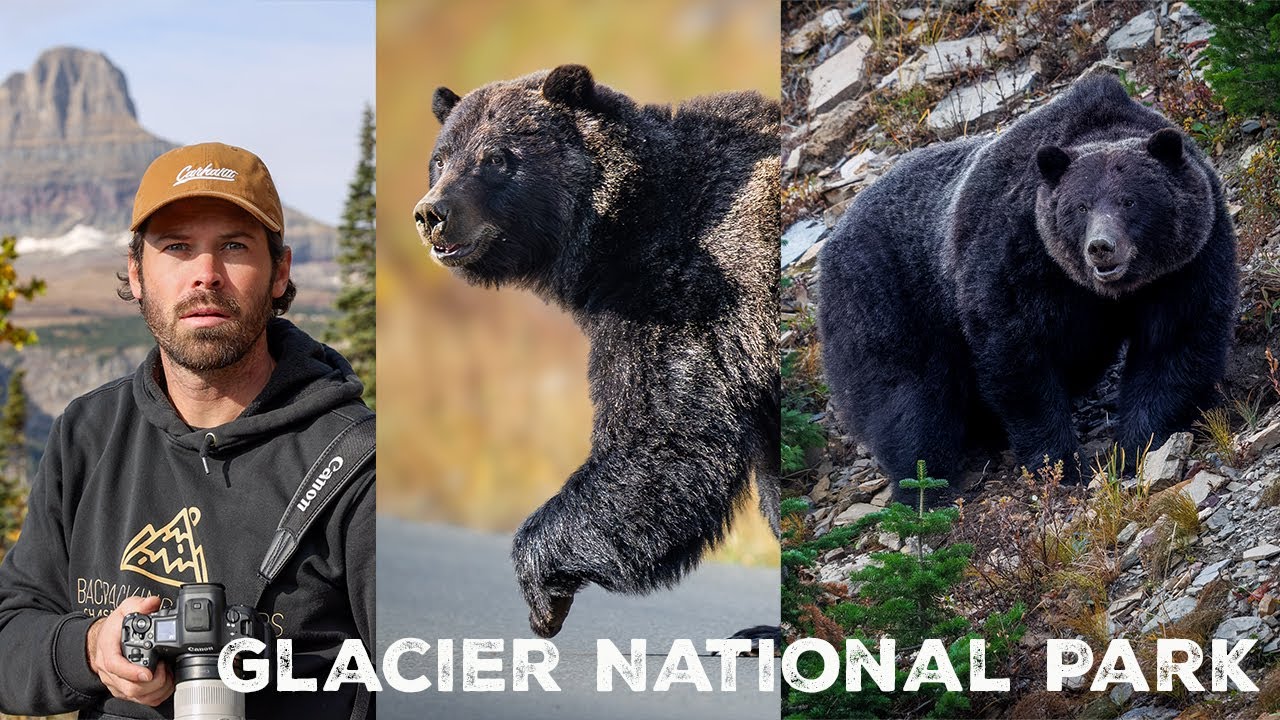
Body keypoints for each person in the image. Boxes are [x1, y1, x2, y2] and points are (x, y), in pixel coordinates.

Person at [0, 143, 375, 719]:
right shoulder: (90, 433)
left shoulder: (358, 463)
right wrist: (93, 649)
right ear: (136, 274)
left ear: (280, 272)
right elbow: (10, 636)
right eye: (177, 247)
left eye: (233, 246)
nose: (206, 275)